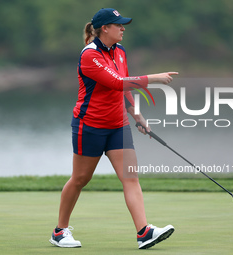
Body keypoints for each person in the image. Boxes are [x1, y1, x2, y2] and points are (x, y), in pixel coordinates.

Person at [49, 8, 178, 249]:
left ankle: (144, 232)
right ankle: (59, 231)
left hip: (118, 126)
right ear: (104, 28)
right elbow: (116, 83)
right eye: (118, 25)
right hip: (90, 126)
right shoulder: (90, 55)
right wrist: (154, 78)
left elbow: (125, 89)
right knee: (80, 179)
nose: (123, 28)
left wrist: (137, 115)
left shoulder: (120, 52)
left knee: (130, 177)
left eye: (123, 25)